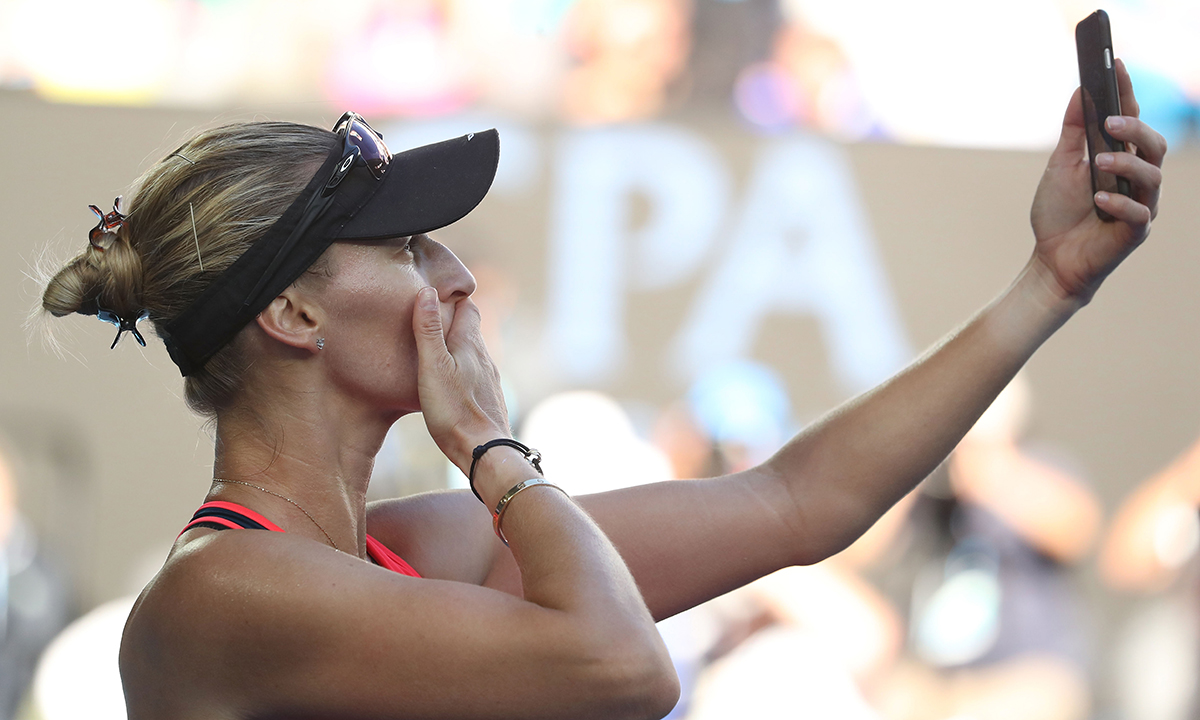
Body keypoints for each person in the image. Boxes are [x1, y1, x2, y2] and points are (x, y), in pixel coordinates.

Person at [38, 57, 1163, 718]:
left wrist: (1048, 282)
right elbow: (623, 671)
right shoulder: (221, 593)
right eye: (409, 249)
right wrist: (489, 443)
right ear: (292, 314)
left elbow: (794, 503)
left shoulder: (410, 554)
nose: (460, 277)